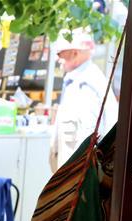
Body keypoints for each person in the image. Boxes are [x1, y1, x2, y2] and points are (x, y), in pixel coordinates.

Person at [50, 30, 118, 170]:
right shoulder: (77, 79)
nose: (58, 59)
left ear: (75, 53)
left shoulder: (87, 83)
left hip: (77, 172)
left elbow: (88, 133)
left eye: (60, 53)